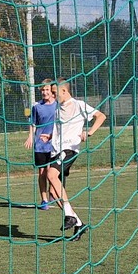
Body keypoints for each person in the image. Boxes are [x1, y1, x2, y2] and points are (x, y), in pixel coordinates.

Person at [46, 80, 106, 240]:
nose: (52, 95)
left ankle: (69, 215)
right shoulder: (58, 108)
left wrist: (89, 132)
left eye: (54, 92)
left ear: (64, 91)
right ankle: (78, 223)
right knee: (53, 192)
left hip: (69, 149)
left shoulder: (79, 105)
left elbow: (101, 116)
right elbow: (62, 129)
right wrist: (50, 136)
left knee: (51, 175)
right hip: (56, 150)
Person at [24, 80, 58, 209]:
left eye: (47, 90)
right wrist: (30, 137)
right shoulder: (37, 106)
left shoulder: (58, 106)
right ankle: (44, 200)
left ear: (52, 91)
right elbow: (33, 123)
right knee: (42, 172)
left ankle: (52, 192)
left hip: (55, 144)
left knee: (53, 171)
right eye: (43, 90)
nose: (44, 92)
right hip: (40, 145)